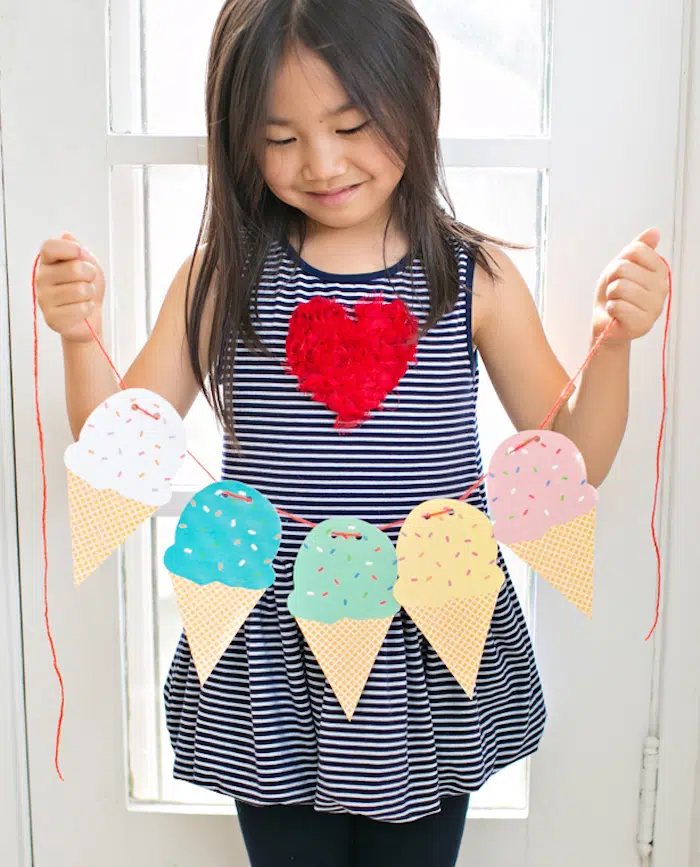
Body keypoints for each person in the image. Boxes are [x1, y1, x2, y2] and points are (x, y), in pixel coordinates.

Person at [35, 0, 669, 864]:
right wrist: (78, 339)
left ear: (415, 101)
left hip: (428, 630)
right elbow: (122, 447)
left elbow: (574, 456)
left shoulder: (472, 276)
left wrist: (615, 344)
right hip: (274, 651)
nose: (321, 162)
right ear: (240, 137)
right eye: (280, 136)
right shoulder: (222, 276)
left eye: (351, 125)